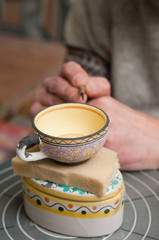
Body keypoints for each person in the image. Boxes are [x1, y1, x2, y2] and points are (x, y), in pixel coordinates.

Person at [30, 0, 159, 171]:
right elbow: (84, 97)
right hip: (115, 167)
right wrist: (66, 102)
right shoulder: (96, 5)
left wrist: (153, 138)